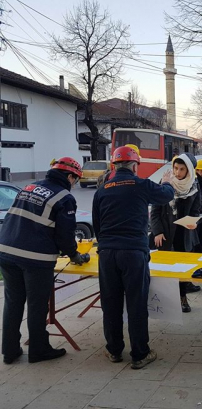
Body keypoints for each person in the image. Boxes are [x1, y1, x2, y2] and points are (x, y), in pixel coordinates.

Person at [93, 146, 175, 369]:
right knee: (136, 303)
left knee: (110, 303)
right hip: (133, 252)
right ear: (135, 165)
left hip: (108, 253)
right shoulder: (140, 185)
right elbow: (167, 195)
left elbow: (97, 226)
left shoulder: (102, 189)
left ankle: (114, 351)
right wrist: (167, 181)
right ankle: (140, 353)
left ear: (114, 165)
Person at [0, 157, 87, 364]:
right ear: (69, 176)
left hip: (6, 251)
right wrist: (75, 255)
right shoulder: (64, 197)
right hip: (35, 258)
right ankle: (39, 349)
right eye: (75, 179)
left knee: (13, 303)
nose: (74, 184)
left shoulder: (29, 187)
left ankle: (10, 351)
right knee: (38, 305)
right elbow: (65, 235)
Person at [151, 153, 202, 313]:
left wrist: (194, 221)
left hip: (185, 233)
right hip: (166, 234)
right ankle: (163, 301)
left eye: (181, 169)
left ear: (189, 171)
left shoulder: (194, 186)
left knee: (182, 269)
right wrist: (157, 232)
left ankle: (182, 297)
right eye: (175, 168)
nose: (178, 172)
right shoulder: (165, 183)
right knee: (165, 269)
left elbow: (197, 209)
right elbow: (155, 211)